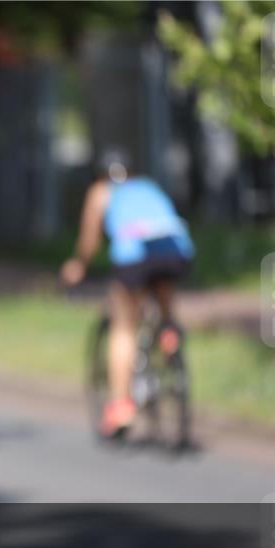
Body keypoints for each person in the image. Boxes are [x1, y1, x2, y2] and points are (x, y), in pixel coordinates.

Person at [60, 149, 195, 437]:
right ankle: (169, 333)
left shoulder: (100, 191)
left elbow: (90, 240)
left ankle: (121, 406)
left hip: (134, 256)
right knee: (163, 294)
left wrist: (78, 265)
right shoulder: (148, 185)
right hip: (174, 248)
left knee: (123, 327)